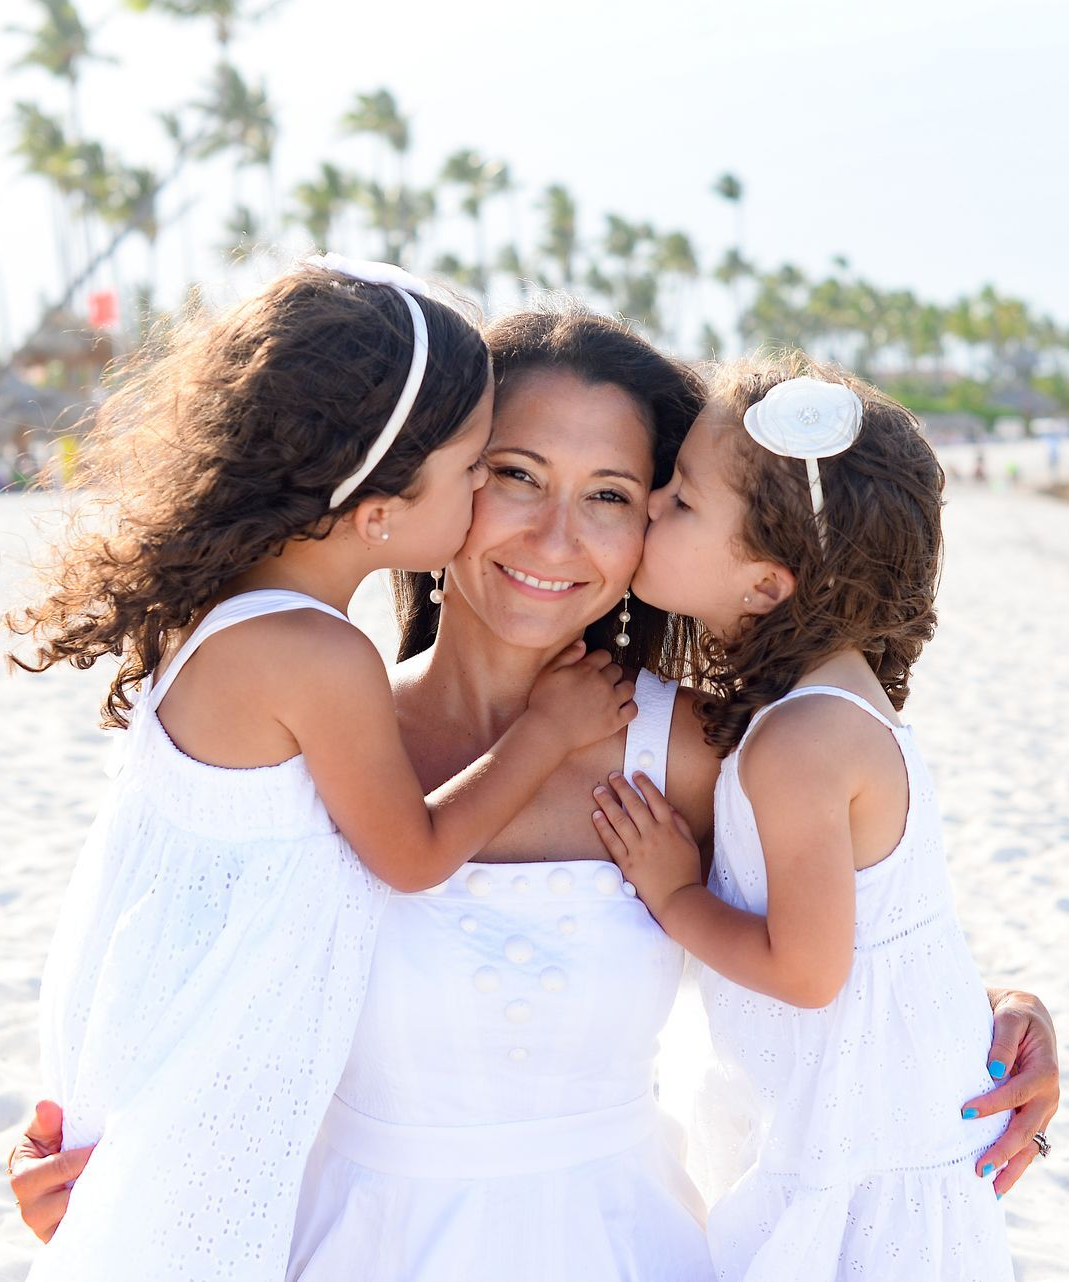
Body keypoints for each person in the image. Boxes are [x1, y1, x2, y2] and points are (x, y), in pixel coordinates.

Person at [9, 314, 1060, 1280]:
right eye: (514, 473)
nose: (557, 537)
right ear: (440, 478)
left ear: (659, 518)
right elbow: (159, 945)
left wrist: (1003, 1014)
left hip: (620, 1244)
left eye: (609, 493)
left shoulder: (693, 748)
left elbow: (847, 940)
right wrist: (99, 1160)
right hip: (337, 1243)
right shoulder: (304, 726)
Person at [4, 263, 636, 1282]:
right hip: (207, 1095)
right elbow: (410, 853)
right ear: (380, 508)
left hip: (163, 1059)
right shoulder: (324, 657)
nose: (484, 495)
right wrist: (548, 731)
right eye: (483, 467)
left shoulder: (224, 614)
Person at [591, 356, 1057, 1280]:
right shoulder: (831, 707)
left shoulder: (796, 742)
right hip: (875, 1115)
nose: (649, 506)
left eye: (681, 501)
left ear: (766, 586)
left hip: (857, 1145)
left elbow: (806, 971)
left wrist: (676, 892)